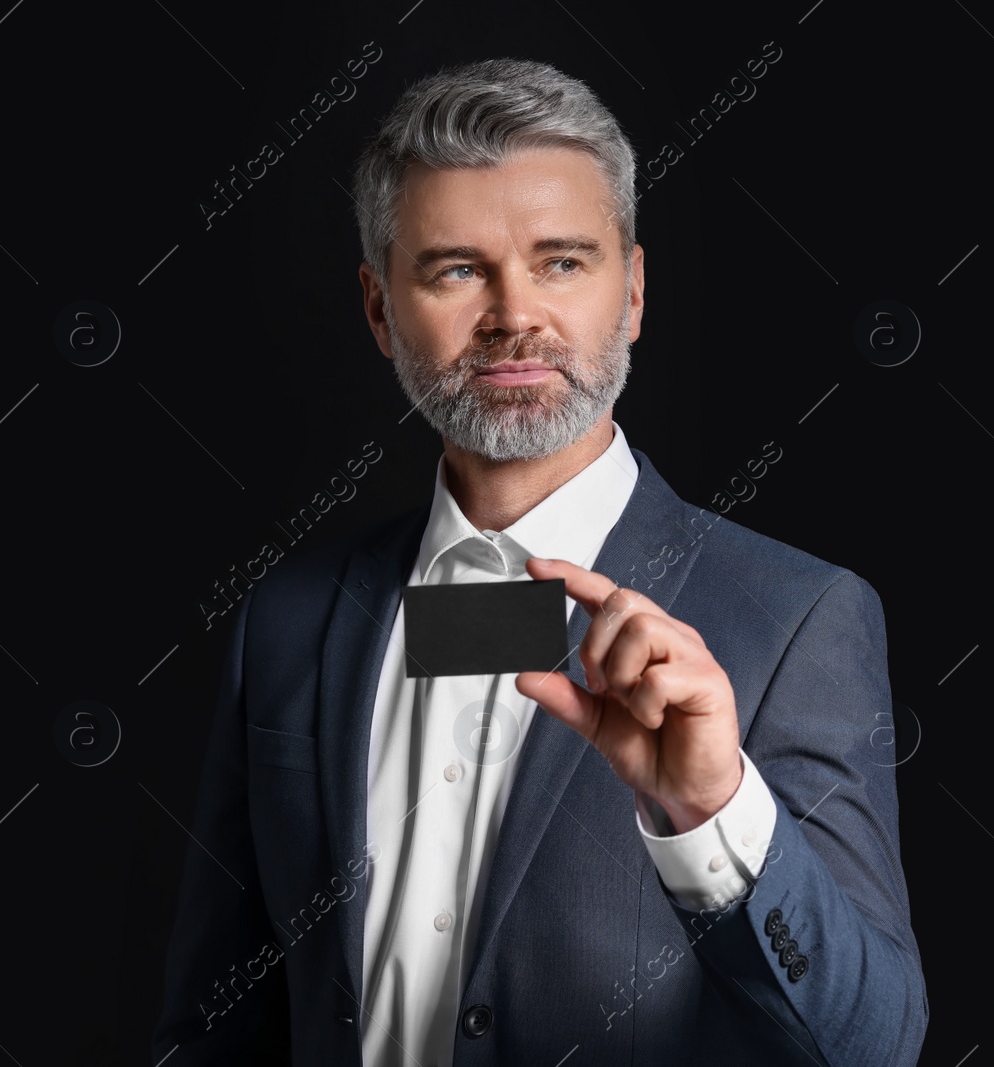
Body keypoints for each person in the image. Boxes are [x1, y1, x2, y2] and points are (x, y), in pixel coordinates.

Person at [152, 57, 927, 1067]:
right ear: (380, 307)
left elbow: (871, 1043)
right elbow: (215, 1021)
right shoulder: (289, 618)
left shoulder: (795, 615)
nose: (514, 314)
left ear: (634, 290)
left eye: (562, 261)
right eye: (456, 269)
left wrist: (711, 811)